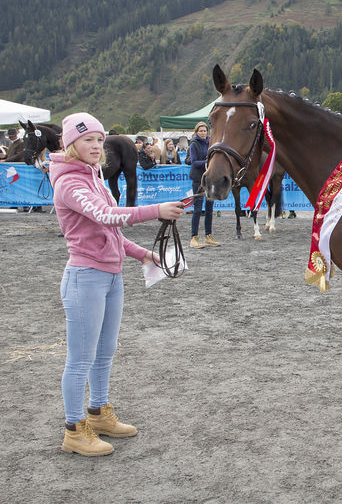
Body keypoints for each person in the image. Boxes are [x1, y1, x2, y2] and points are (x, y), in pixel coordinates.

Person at [48, 112, 184, 457]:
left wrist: (142, 255)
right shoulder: (69, 182)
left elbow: (111, 232)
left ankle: (98, 413)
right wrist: (157, 210)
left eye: (98, 139)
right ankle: (74, 429)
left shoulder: (93, 177)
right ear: (70, 143)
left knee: (104, 352)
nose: (96, 146)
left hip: (110, 276)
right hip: (85, 278)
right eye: (87, 140)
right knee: (80, 359)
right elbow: (106, 216)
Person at [188, 121, 220, 248]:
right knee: (197, 209)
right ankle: (194, 237)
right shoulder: (193, 144)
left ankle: (208, 236)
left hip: (210, 178)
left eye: (204, 130)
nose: (203, 133)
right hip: (198, 179)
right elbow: (194, 162)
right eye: (200, 131)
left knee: (209, 209)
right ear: (196, 132)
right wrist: (208, 162)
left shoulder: (211, 143)